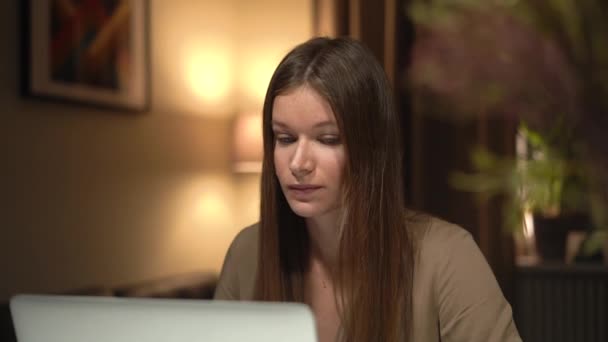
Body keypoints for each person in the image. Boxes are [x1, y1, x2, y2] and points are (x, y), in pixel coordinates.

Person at [214, 37, 522, 342]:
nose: (299, 163)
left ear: (370, 148)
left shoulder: (447, 257)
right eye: (285, 138)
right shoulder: (247, 253)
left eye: (327, 139)